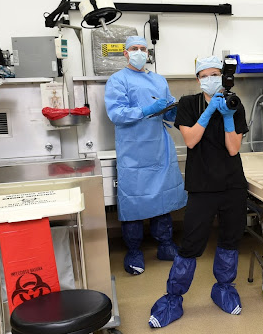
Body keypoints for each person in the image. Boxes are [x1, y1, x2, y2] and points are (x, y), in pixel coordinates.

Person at [149, 56, 248, 328]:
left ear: (223, 77)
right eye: (204, 75)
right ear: (197, 79)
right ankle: (173, 298)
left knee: (230, 238)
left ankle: (224, 289)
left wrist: (227, 117)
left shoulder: (233, 104)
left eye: (215, 74)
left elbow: (233, 149)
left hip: (232, 184)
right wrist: (208, 113)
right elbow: (191, 140)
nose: (210, 79)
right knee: (191, 242)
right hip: (202, 185)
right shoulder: (188, 104)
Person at [104, 36, 187, 276]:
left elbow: (169, 113)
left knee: (162, 198)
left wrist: (178, 110)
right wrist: (146, 110)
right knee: (134, 200)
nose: (140, 52)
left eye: (143, 49)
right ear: (126, 53)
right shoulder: (117, 80)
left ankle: (165, 245)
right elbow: (117, 113)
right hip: (133, 150)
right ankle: (133, 250)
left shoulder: (158, 80)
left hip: (159, 146)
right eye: (134, 49)